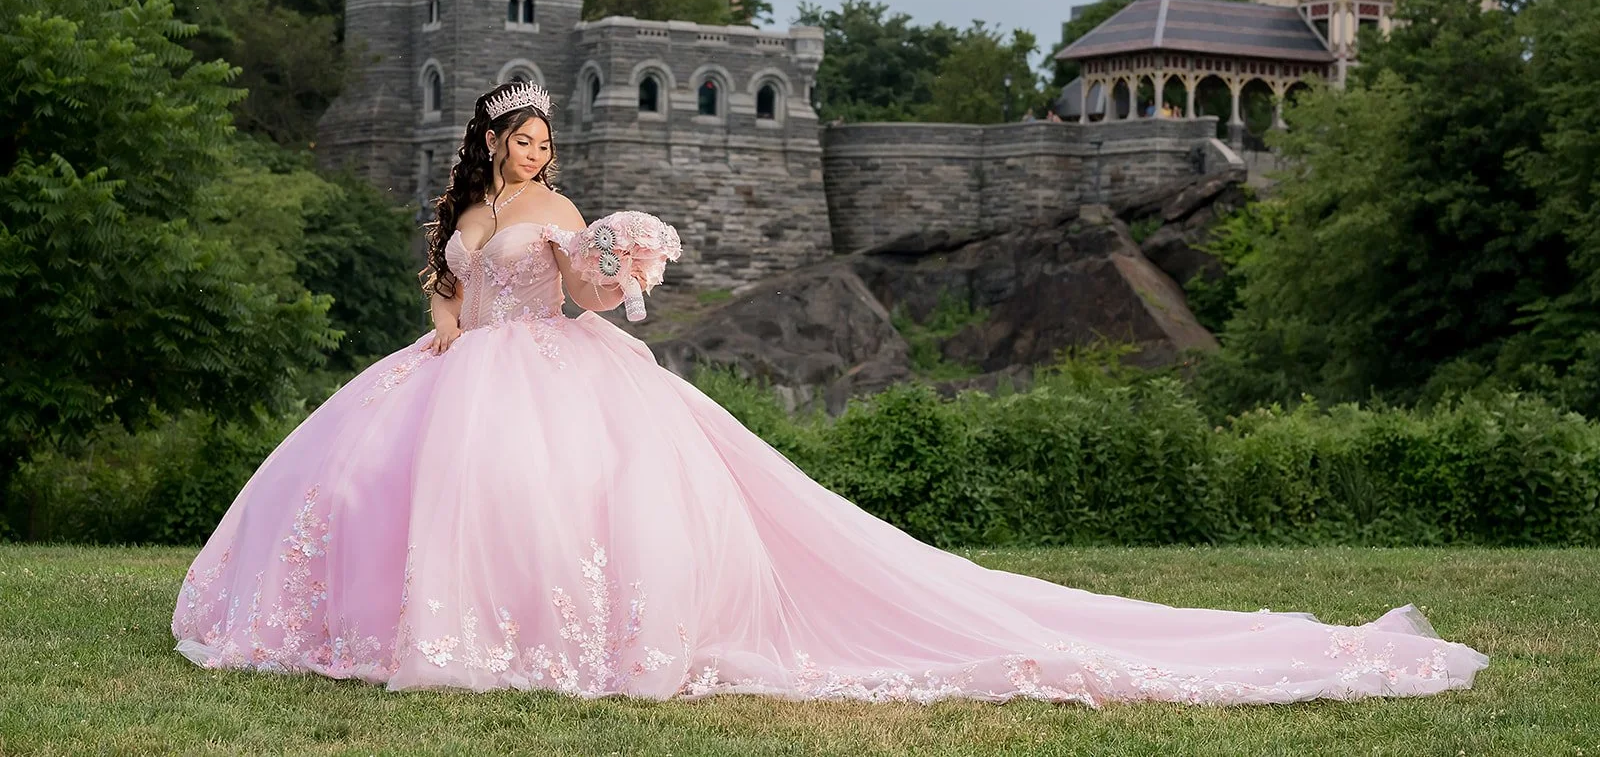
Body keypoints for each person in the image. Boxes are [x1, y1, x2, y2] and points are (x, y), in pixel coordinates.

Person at [172, 82, 1487, 703]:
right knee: (376, 481)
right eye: (523, 133)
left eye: (546, 133)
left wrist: (603, 258)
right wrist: (443, 333)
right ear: (488, 138)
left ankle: (553, 640)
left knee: (551, 503)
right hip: (458, 374)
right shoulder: (462, 207)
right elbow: (451, 287)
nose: (538, 146)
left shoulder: (561, 205)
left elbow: (577, 293)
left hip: (555, 375)